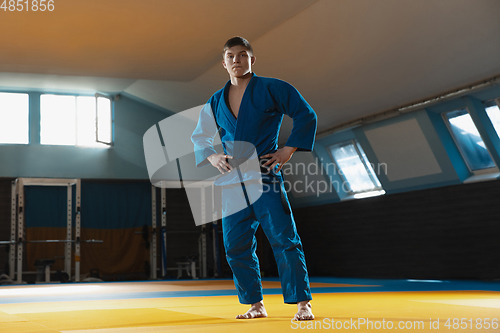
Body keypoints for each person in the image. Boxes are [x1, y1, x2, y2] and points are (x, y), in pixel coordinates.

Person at [191, 36, 316, 321]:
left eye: (243, 54)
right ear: (224, 62)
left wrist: (288, 150)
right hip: (234, 181)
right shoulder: (215, 101)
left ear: (252, 59)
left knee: (284, 238)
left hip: (265, 175)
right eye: (231, 56)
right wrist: (212, 156)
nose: (237, 60)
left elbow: (305, 115)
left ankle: (302, 303)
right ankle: (255, 304)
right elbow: (200, 136)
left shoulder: (273, 88)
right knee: (235, 244)